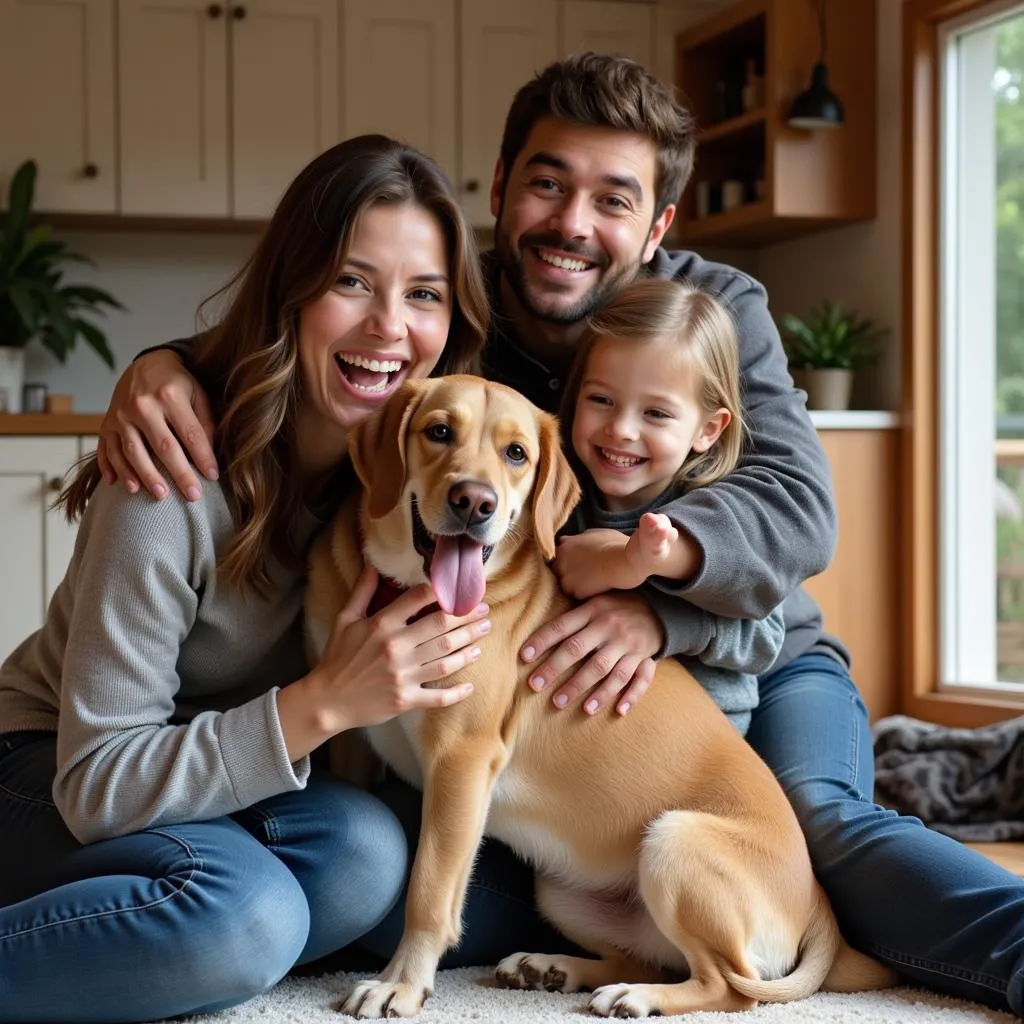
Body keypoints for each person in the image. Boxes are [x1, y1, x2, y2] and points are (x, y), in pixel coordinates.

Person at [86, 53, 1024, 1016]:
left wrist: (654, 604)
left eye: (613, 199)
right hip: (544, 678)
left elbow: (795, 502)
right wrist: (166, 365)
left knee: (821, 826)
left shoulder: (713, 310)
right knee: (416, 871)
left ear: (658, 226)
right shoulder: (451, 311)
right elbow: (334, 338)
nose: (573, 223)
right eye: (547, 183)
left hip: (752, 642)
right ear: (501, 190)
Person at [0, 134, 496, 1024]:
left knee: (364, 859)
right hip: (47, 770)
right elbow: (97, 781)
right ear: (291, 291)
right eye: (351, 282)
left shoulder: (402, 475)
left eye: (423, 295)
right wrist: (329, 702)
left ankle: (131, 933)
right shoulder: (169, 477)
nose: (390, 326)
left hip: (203, 777)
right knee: (244, 920)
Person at [554, 277, 783, 734]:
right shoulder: (563, 493)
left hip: (700, 740)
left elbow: (765, 637)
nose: (620, 429)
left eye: (655, 413)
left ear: (708, 430)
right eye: (601, 400)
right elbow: (559, 566)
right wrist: (616, 561)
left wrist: (665, 613)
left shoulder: (712, 512)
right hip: (591, 734)